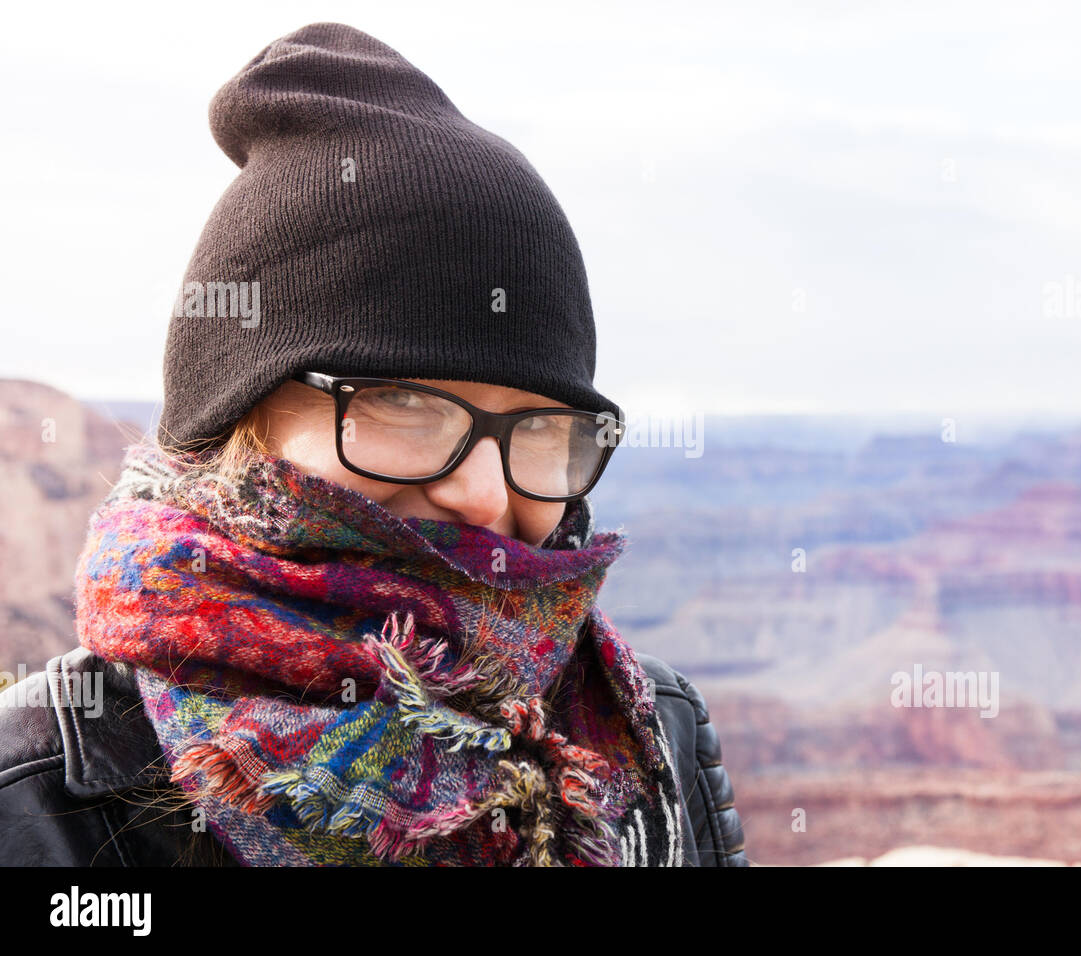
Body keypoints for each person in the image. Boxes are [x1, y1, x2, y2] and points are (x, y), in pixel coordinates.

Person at [0, 22, 747, 867]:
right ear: (236, 421)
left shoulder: (652, 735)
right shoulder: (37, 807)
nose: (482, 494)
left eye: (539, 427)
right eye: (402, 403)